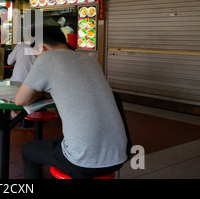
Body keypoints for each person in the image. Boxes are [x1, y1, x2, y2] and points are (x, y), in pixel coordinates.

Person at [15, 25, 129, 179]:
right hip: (119, 154)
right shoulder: (89, 59)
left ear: (41, 47)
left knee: (29, 151)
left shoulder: (46, 58)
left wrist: (40, 92)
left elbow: (20, 100)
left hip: (83, 160)